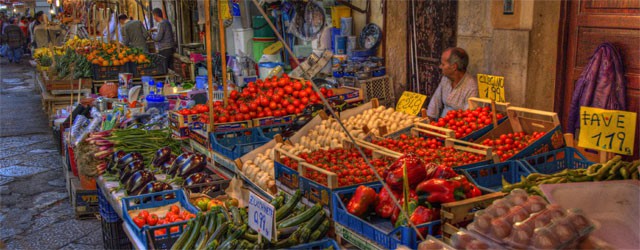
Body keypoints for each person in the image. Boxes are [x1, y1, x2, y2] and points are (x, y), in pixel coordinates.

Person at [426, 47, 478, 120]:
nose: (440, 67)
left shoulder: (471, 86)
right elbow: (435, 103)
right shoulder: (445, 79)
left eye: (443, 64)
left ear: (454, 67)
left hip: (458, 125)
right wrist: (427, 122)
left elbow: (469, 117)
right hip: (441, 122)